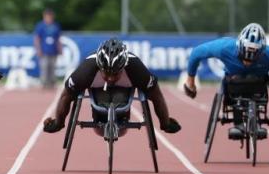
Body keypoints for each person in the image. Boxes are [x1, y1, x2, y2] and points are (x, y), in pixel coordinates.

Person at [184, 22, 269, 139]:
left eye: (253, 57)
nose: (247, 62)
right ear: (239, 47)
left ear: (261, 52)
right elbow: (196, 53)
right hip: (233, 85)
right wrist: (191, 82)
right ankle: (238, 123)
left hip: (258, 85)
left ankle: (255, 122)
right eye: (245, 56)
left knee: (254, 82)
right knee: (234, 84)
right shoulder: (224, 47)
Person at [43, 38, 181, 136]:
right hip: (97, 96)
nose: (110, 78)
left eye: (115, 74)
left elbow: (156, 96)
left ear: (123, 67)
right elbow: (66, 96)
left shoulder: (136, 69)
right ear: (99, 66)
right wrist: (58, 123)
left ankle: (122, 118)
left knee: (121, 97)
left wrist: (165, 122)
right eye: (106, 73)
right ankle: (100, 117)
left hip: (124, 96)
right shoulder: (86, 71)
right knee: (96, 100)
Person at [34, 8, 62, 89]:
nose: (49, 18)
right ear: (44, 16)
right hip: (44, 50)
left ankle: (52, 83)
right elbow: (37, 39)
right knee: (44, 67)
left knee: (53, 67)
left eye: (50, 16)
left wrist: (60, 49)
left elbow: (58, 39)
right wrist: (38, 49)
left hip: (53, 51)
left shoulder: (56, 26)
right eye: (47, 16)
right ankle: (44, 83)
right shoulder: (40, 26)